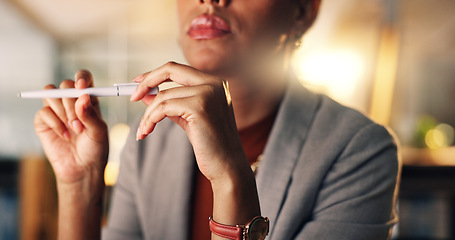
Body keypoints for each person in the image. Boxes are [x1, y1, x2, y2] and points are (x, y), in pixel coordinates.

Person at [34, 0, 400, 239]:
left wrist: (229, 176)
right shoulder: (150, 138)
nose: (209, 1)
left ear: (303, 11)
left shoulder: (359, 150)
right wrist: (79, 187)